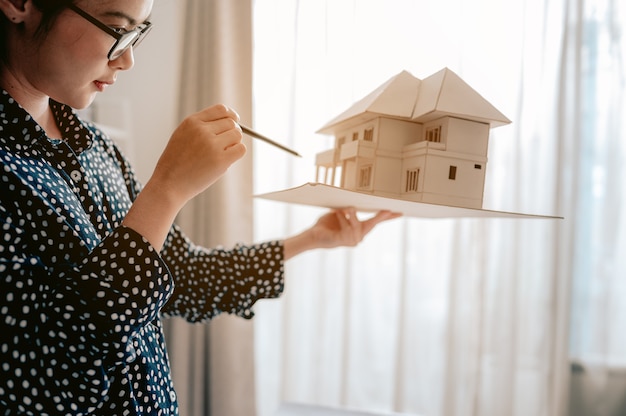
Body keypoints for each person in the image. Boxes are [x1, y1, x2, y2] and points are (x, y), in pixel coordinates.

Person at [0, 0, 400, 414]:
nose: (129, 59)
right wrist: (166, 191)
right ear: (19, 5)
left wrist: (310, 240)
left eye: (139, 32)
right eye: (116, 28)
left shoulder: (98, 150)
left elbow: (182, 277)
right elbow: (48, 382)